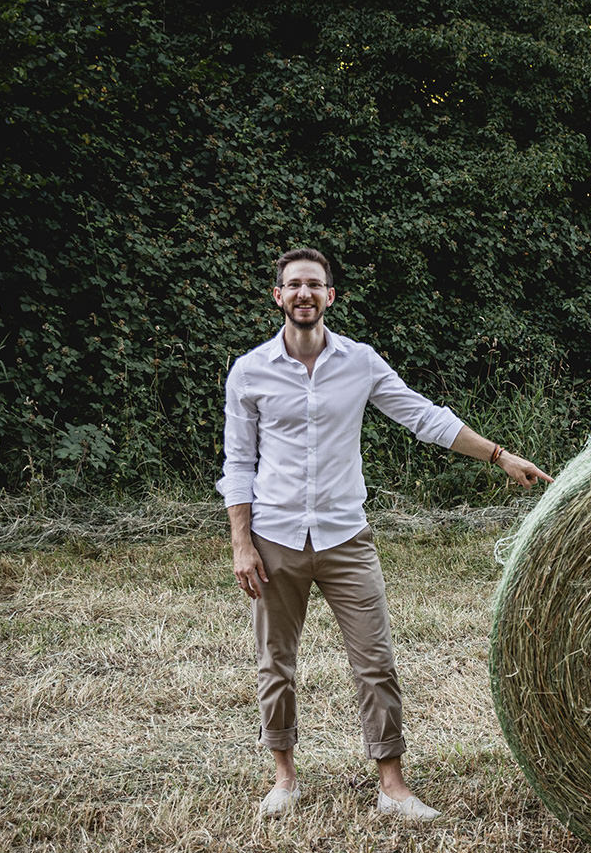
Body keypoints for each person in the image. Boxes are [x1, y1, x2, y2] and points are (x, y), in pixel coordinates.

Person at [217, 247, 552, 822]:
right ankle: (284, 779)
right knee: (276, 661)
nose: (304, 294)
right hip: (274, 538)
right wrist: (241, 543)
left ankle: (392, 787)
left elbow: (424, 416)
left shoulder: (360, 361)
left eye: (314, 285)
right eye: (294, 285)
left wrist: (497, 454)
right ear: (278, 296)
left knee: (375, 661)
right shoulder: (249, 371)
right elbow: (238, 462)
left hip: (346, 537)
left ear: (330, 296)